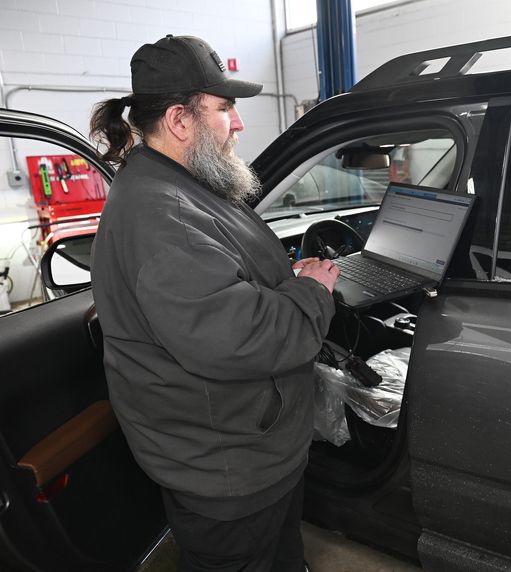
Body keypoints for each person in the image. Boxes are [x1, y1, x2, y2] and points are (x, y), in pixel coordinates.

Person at [89, 35, 339, 572]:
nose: (239, 123)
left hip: (249, 453)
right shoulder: (164, 216)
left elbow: (217, 285)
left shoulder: (182, 185)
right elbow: (243, 337)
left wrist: (281, 277)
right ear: (180, 120)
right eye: (225, 108)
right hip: (228, 473)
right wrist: (314, 291)